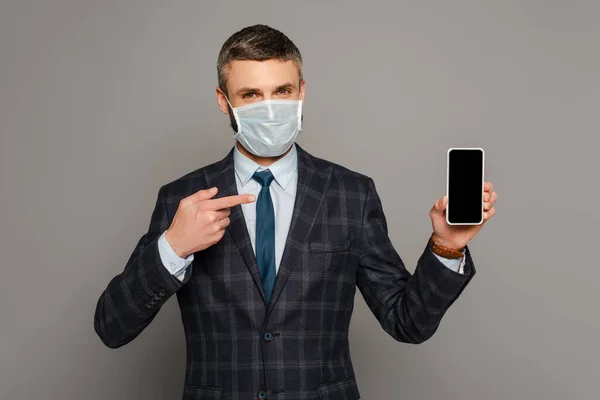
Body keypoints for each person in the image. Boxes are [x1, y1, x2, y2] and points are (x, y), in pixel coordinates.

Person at [94, 24, 498, 400]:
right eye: (251, 95)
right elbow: (112, 328)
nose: (269, 108)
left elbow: (407, 322)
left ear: (301, 92)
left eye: (282, 91)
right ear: (224, 101)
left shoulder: (350, 195)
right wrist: (173, 247)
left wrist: (446, 247)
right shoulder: (182, 198)